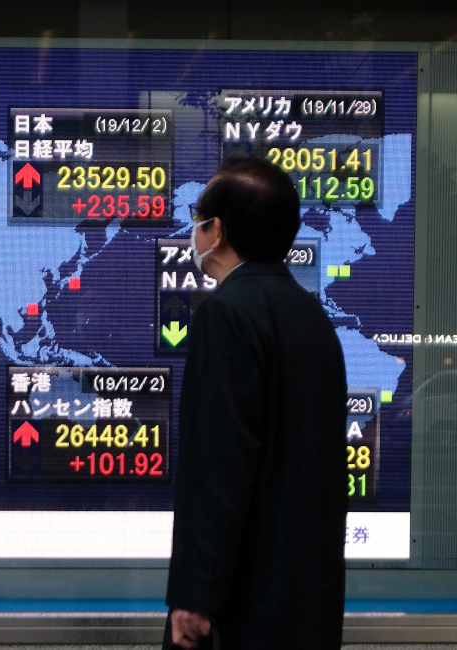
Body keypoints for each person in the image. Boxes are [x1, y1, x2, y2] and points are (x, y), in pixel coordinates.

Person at [164, 157, 348, 649]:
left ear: (217, 231)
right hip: (307, 598)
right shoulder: (312, 317)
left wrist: (197, 595)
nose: (194, 231)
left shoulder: (226, 314)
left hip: (244, 607)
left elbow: (220, 467)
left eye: (200, 218)